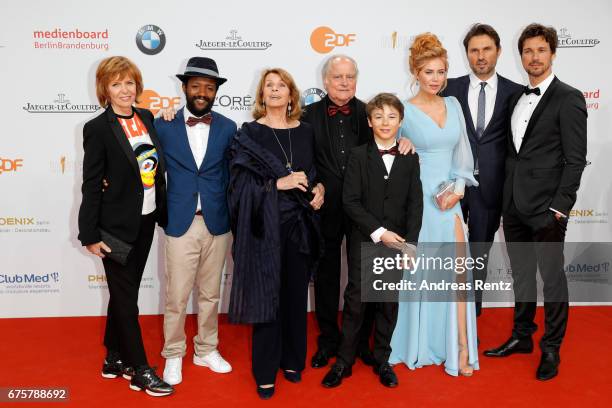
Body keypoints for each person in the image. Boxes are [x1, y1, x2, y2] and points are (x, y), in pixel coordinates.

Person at [484, 23, 587, 381]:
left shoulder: (569, 97)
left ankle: (552, 347)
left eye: (541, 50)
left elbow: (575, 158)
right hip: (513, 205)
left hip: (546, 209)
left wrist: (560, 207)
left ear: (552, 53)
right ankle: (523, 336)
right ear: (521, 55)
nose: (534, 57)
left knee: (553, 279)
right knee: (523, 275)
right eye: (528, 51)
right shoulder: (515, 98)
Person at [302, 55, 412, 369]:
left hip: (363, 211)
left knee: (366, 277)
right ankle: (328, 341)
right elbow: (302, 159)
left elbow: (388, 144)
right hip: (322, 208)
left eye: (350, 76)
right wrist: (313, 184)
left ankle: (362, 342)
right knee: (326, 276)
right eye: (338, 77)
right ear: (325, 80)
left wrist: (406, 144)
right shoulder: (307, 115)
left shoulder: (370, 113)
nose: (344, 82)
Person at [77, 56, 173, 397]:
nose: (124, 89)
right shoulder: (98, 128)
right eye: (116, 84)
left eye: (129, 82)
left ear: (137, 85)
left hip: (146, 220)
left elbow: (152, 167)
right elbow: (91, 183)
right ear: (105, 89)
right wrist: (89, 234)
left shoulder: (146, 117)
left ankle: (114, 357)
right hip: (112, 228)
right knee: (125, 297)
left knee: (124, 294)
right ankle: (140, 370)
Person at [228, 68, 324, 399]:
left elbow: (316, 173)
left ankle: (293, 360)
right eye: (269, 85)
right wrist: (277, 184)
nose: (275, 90)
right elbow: (238, 186)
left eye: (281, 85)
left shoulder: (307, 132)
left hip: (300, 227)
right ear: (261, 94)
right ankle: (265, 369)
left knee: (296, 296)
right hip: (265, 228)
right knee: (267, 298)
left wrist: (320, 188)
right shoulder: (250, 133)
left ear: (292, 95)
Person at [389, 33, 480, 376]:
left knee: (457, 276)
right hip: (420, 202)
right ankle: (418, 342)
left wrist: (458, 188)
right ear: (415, 72)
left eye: (441, 72)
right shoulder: (403, 110)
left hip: (450, 200)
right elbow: (389, 154)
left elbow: (464, 154)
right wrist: (400, 141)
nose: (436, 78)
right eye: (429, 72)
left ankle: (460, 347)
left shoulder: (454, 105)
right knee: (422, 275)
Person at [322, 93, 422, 388]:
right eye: (378, 117)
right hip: (365, 239)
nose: (385, 122)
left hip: (399, 242)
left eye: (391, 117)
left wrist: (410, 244)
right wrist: (379, 233)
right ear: (369, 121)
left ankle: (382, 360)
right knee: (356, 301)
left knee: (388, 303)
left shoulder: (409, 157)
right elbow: (350, 202)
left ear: (401, 121)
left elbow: (415, 204)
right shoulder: (358, 155)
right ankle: (344, 361)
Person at [154, 57, 236, 385]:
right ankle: (173, 354)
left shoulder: (229, 127)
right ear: (185, 88)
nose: (202, 92)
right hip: (179, 221)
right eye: (196, 86)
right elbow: (143, 165)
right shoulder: (163, 124)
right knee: (176, 295)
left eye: (209, 88)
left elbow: (235, 174)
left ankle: (206, 349)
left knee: (211, 294)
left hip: (217, 221)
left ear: (215, 92)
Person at [441, 24, 523, 316]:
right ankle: (443, 317)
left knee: (478, 256)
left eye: (486, 49)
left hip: (490, 188)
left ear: (498, 51)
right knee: (444, 254)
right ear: (466, 54)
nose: (480, 56)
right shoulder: (447, 87)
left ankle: (470, 317)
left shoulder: (517, 93)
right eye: (474, 50)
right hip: (448, 186)